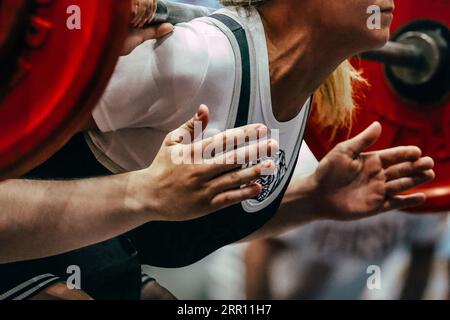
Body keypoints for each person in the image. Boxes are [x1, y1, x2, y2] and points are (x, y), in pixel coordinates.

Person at [1, 0, 435, 300]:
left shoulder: (302, 100)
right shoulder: (193, 60)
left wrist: (310, 201)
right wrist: (145, 192)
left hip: (92, 264)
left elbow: (186, 222)